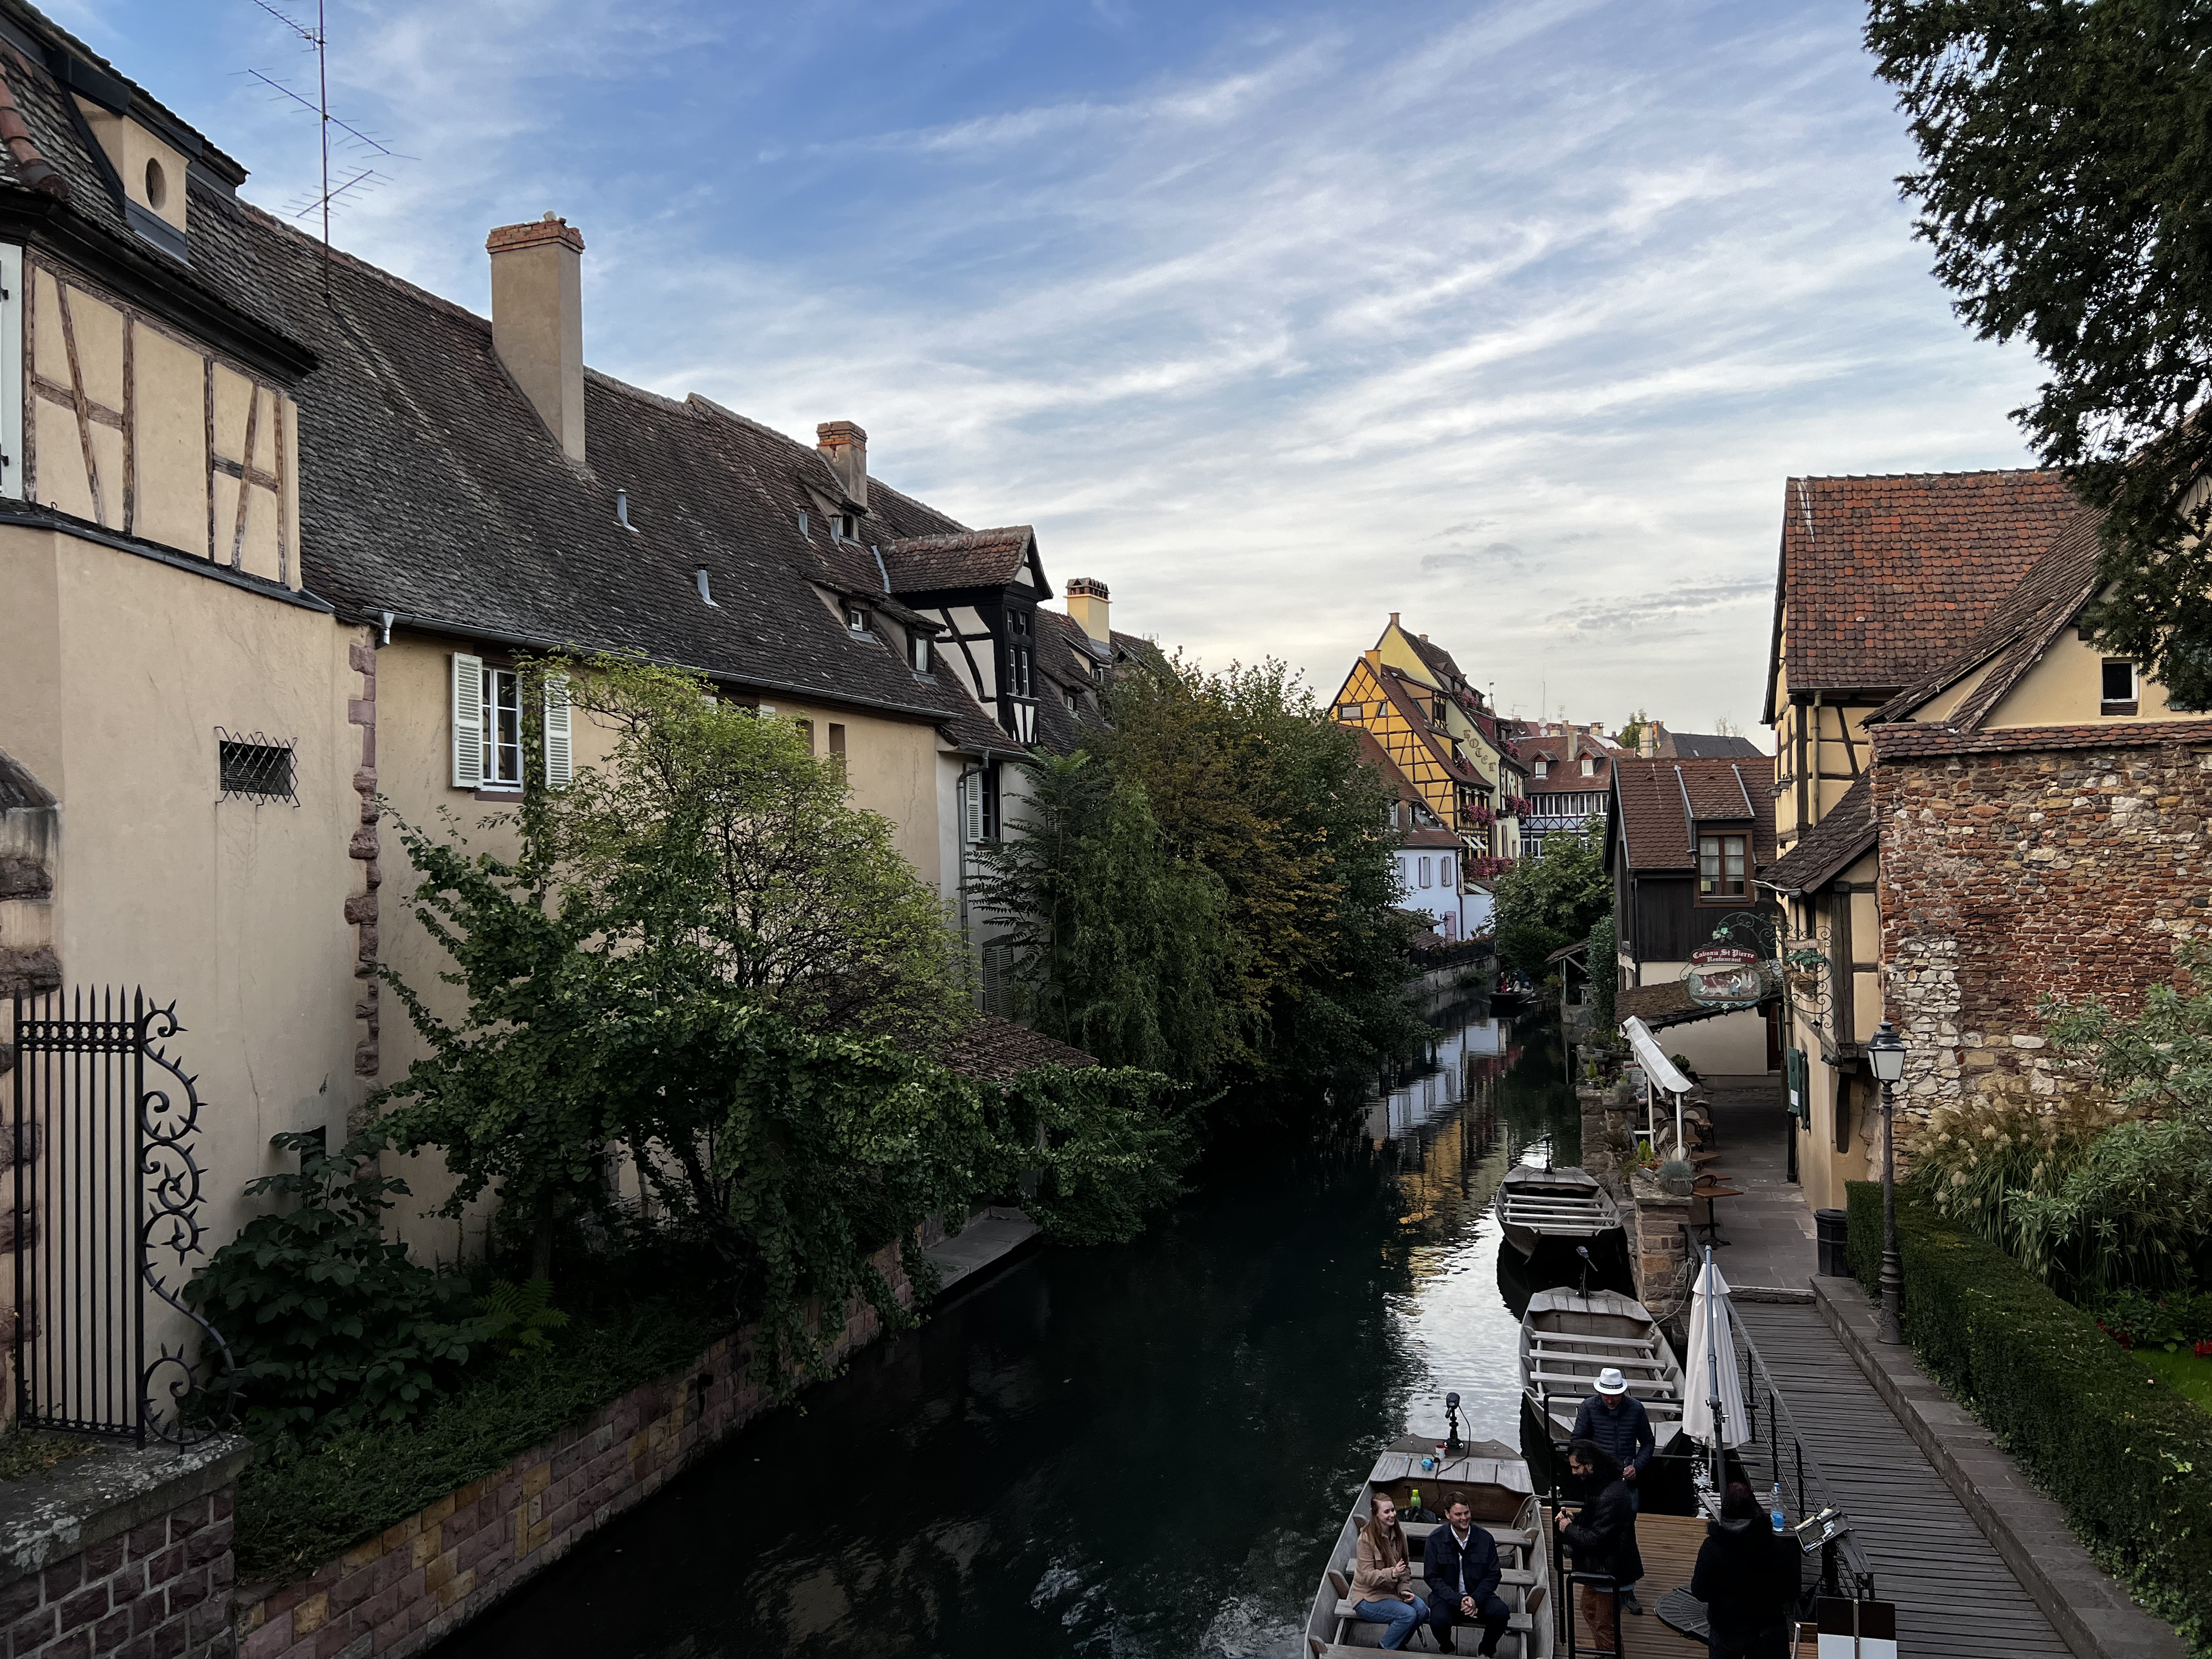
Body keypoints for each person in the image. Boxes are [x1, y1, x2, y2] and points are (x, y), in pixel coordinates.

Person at [1571, 1366, 1655, 1613]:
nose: (1610, 1399)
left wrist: (1637, 1466)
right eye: (1606, 1395)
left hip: (1628, 1483)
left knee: (1626, 1535)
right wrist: (1593, 1465)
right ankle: (1600, 1586)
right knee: (1600, 1534)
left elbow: (1648, 1442)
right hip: (1598, 1485)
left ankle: (1627, 1591)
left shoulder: (1636, 1409)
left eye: (1615, 1395)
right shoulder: (1588, 1408)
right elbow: (1577, 1441)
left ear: (1623, 1392)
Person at [1689, 1481, 1802, 1659]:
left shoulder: (1711, 1549)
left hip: (1727, 1630)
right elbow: (1793, 1591)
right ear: (1754, 1509)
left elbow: (1699, 1591)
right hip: (1768, 1631)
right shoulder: (1778, 1548)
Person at [1555, 1438, 1644, 1657]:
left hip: (1611, 1568)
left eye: (1576, 1467)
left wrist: (1567, 1528)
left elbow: (1596, 1538)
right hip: (1601, 1566)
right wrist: (1575, 1519)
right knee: (1589, 1608)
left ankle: (1611, 1656)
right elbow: (1594, 1519)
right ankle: (1606, 1654)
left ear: (1590, 1465)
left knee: (1605, 1626)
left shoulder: (1610, 1495)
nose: (1574, 1472)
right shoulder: (1602, 1485)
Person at [1423, 1495, 1512, 1657]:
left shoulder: (1485, 1538)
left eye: (1467, 1513)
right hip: (1447, 1598)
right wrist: (1459, 1600)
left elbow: (1494, 1575)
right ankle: (1447, 1647)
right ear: (1448, 1515)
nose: (1464, 1518)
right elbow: (1432, 1577)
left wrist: (1475, 1599)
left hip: (1479, 1596)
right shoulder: (1435, 1540)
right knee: (1438, 1621)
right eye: (1458, 1515)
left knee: (1501, 1613)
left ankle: (1486, 1650)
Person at [1351, 1493, 1430, 1650]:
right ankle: (1384, 1647)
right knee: (1408, 1615)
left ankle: (1398, 1644)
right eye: (1387, 1512)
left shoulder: (1401, 1535)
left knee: (1421, 1610)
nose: (1392, 1514)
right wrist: (1392, 1573)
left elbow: (1405, 1569)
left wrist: (1404, 1589)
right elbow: (1367, 1577)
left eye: (1393, 1510)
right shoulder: (1366, 1540)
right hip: (1368, 1597)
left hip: (1392, 1592)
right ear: (1375, 1514)